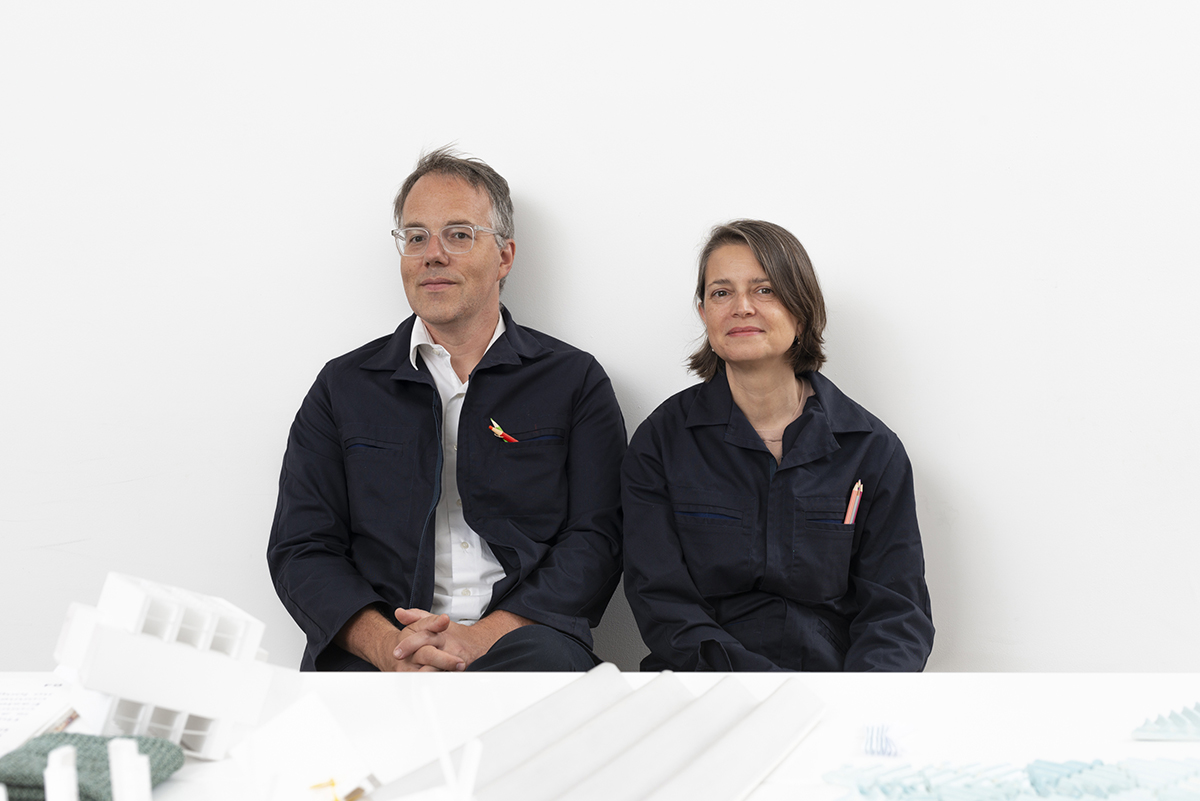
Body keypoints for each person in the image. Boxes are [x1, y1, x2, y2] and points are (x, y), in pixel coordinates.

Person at [268, 147, 626, 672]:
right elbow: (302, 549)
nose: (432, 254)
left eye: (459, 234)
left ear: (504, 257)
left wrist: (480, 639)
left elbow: (598, 540)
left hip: (522, 644)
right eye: (415, 237)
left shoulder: (574, 381)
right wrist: (390, 652)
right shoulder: (342, 388)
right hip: (378, 649)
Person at [621, 220, 933, 672]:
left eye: (764, 290)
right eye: (721, 292)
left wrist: (858, 703)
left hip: (835, 687)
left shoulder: (872, 451)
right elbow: (661, 602)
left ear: (802, 311)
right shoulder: (661, 443)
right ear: (705, 312)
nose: (741, 307)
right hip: (705, 685)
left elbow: (897, 613)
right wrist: (759, 687)